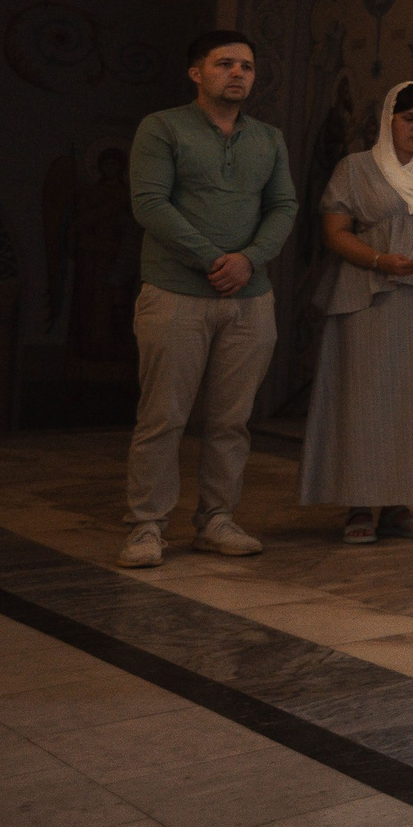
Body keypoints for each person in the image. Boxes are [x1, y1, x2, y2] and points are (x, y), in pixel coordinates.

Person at [121, 32, 298, 569]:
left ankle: (217, 520)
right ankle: (146, 526)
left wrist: (249, 260)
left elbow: (284, 206)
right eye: (225, 64)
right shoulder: (163, 127)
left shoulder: (268, 138)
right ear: (197, 72)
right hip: (175, 293)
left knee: (230, 421)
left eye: (247, 66)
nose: (238, 73)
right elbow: (149, 203)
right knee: (163, 418)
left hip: (251, 298)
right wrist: (214, 259)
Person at [299, 82, 413, 542]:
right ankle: (359, 507)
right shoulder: (357, 168)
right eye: (408, 118)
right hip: (372, 298)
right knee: (366, 401)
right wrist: (380, 260)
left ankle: (400, 505)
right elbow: (335, 232)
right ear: (389, 120)